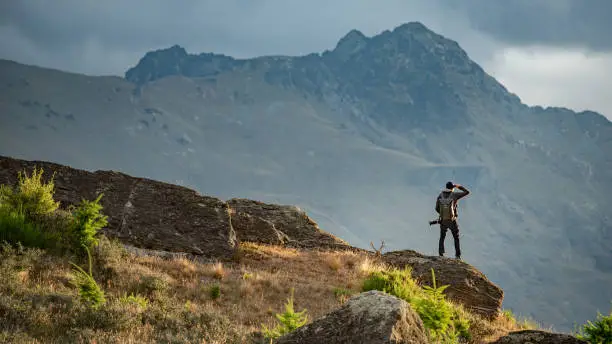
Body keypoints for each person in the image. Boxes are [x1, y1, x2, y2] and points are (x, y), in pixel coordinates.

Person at [435, 181, 470, 259]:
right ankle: (457, 256)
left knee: (442, 236)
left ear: (446, 187)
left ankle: (441, 254)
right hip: (452, 220)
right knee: (456, 237)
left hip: (443, 220)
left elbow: (436, 208)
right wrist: (458, 186)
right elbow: (467, 192)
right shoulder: (454, 195)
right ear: (452, 188)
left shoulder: (440, 195)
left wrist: (442, 214)